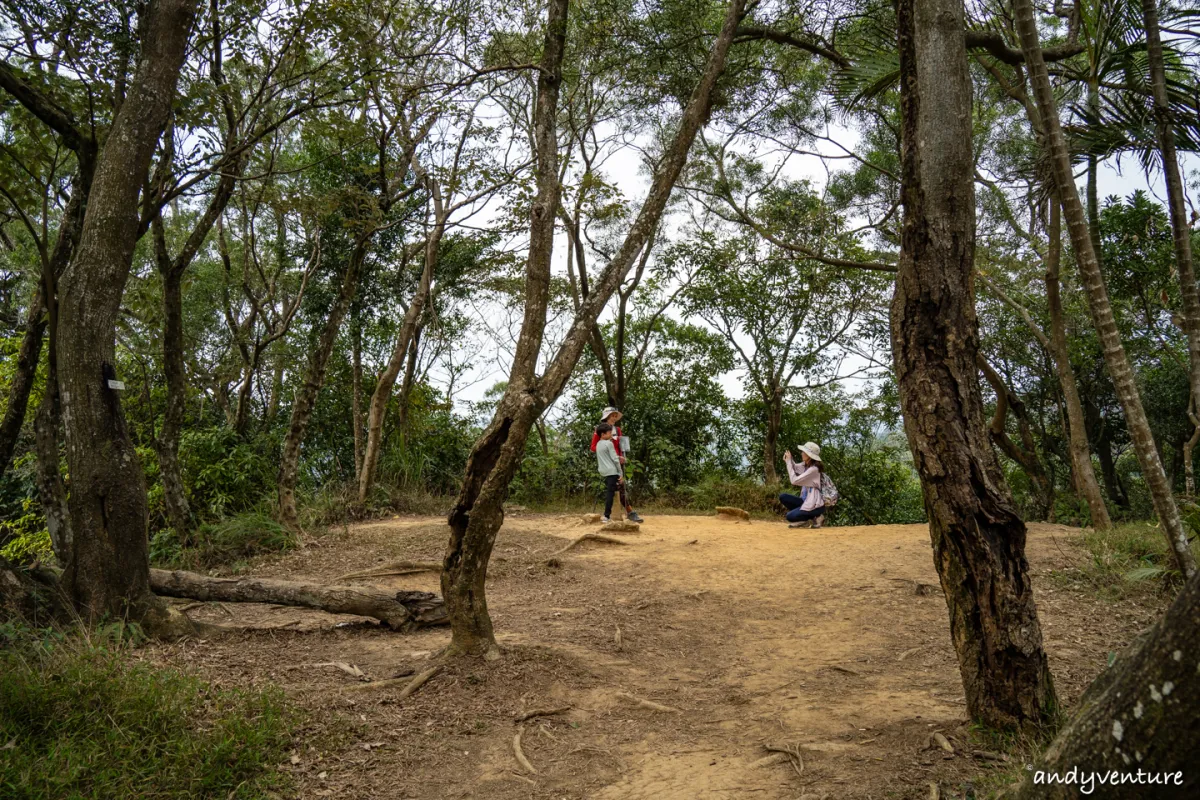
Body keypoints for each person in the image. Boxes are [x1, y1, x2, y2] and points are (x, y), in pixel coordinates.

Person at [590, 407, 643, 522]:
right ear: (606, 417)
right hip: (607, 463)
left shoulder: (618, 430)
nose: (614, 418)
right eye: (612, 416)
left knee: (619, 487)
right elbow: (593, 447)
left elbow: (622, 446)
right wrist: (608, 449)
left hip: (618, 461)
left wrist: (622, 456)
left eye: (615, 416)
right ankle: (629, 512)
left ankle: (619, 513)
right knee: (618, 487)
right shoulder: (599, 430)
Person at [779, 441, 826, 529]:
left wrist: (789, 462)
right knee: (783, 497)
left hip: (815, 505)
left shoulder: (814, 469)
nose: (802, 453)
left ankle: (816, 516)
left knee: (790, 516)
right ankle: (806, 518)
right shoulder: (806, 465)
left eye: (804, 452)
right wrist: (789, 460)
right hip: (806, 501)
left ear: (809, 455)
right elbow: (795, 468)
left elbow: (794, 481)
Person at [595, 423, 622, 523]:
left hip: (603, 471)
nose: (611, 434)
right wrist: (620, 473)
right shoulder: (609, 444)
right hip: (612, 471)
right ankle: (607, 516)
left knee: (609, 492)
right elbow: (615, 459)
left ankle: (609, 515)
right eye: (609, 433)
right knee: (610, 494)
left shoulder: (598, 444)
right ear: (603, 434)